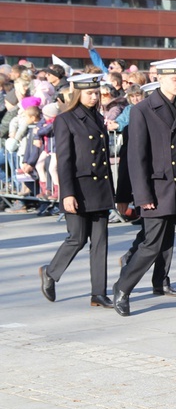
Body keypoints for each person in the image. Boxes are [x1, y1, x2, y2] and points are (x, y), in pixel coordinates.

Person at [112, 58, 176, 323]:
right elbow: (136, 156)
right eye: (174, 79)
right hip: (157, 191)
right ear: (160, 79)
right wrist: (142, 195)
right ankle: (123, 288)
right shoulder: (143, 109)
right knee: (151, 247)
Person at [39, 73, 115, 308]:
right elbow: (65, 160)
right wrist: (67, 193)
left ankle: (98, 293)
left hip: (99, 187)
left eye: (96, 93)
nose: (94, 97)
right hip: (79, 188)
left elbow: (103, 158)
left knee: (100, 241)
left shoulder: (98, 118)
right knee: (77, 238)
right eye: (89, 93)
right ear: (78, 94)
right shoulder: (66, 119)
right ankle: (51, 273)